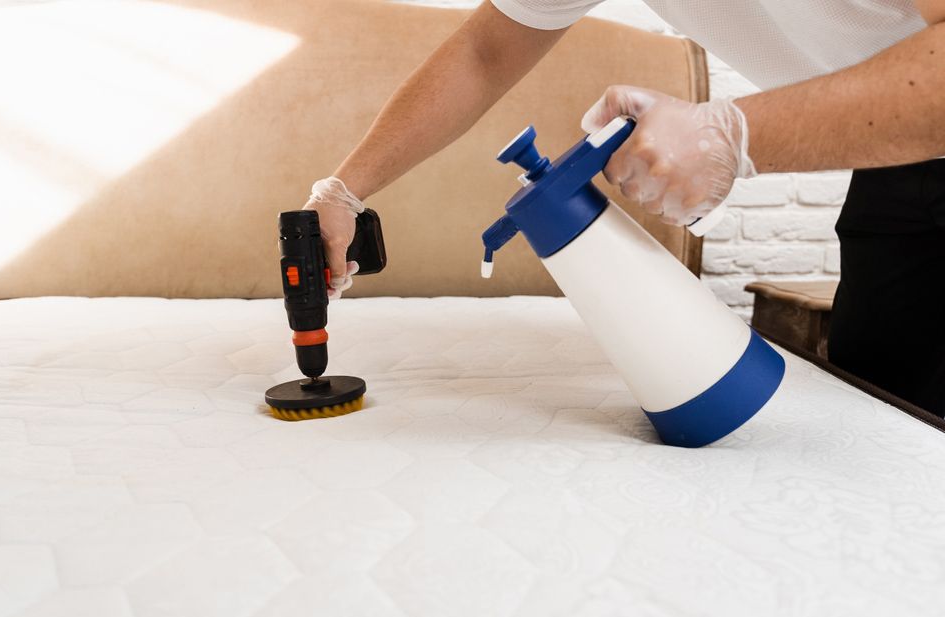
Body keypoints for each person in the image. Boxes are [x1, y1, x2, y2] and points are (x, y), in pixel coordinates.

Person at [304, 0, 945, 416]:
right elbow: (485, 51)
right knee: (886, 421)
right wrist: (344, 190)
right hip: (899, 165)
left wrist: (733, 134)